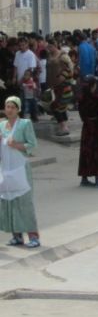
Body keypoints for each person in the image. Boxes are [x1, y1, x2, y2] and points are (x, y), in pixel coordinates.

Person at [0, 96, 40, 248]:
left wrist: (16, 145)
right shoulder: (1, 125)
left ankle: (33, 237)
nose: (9, 110)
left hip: (20, 168)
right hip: (6, 168)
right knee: (9, 202)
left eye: (12, 107)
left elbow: (32, 144)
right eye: (7, 107)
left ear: (18, 109)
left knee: (24, 203)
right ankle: (17, 236)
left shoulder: (25, 124)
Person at [78, 76, 98, 187]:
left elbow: (82, 115)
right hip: (96, 127)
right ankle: (97, 180)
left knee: (86, 152)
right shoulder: (96, 99)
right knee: (97, 152)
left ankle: (84, 178)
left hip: (86, 127)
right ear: (93, 86)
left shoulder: (81, 98)